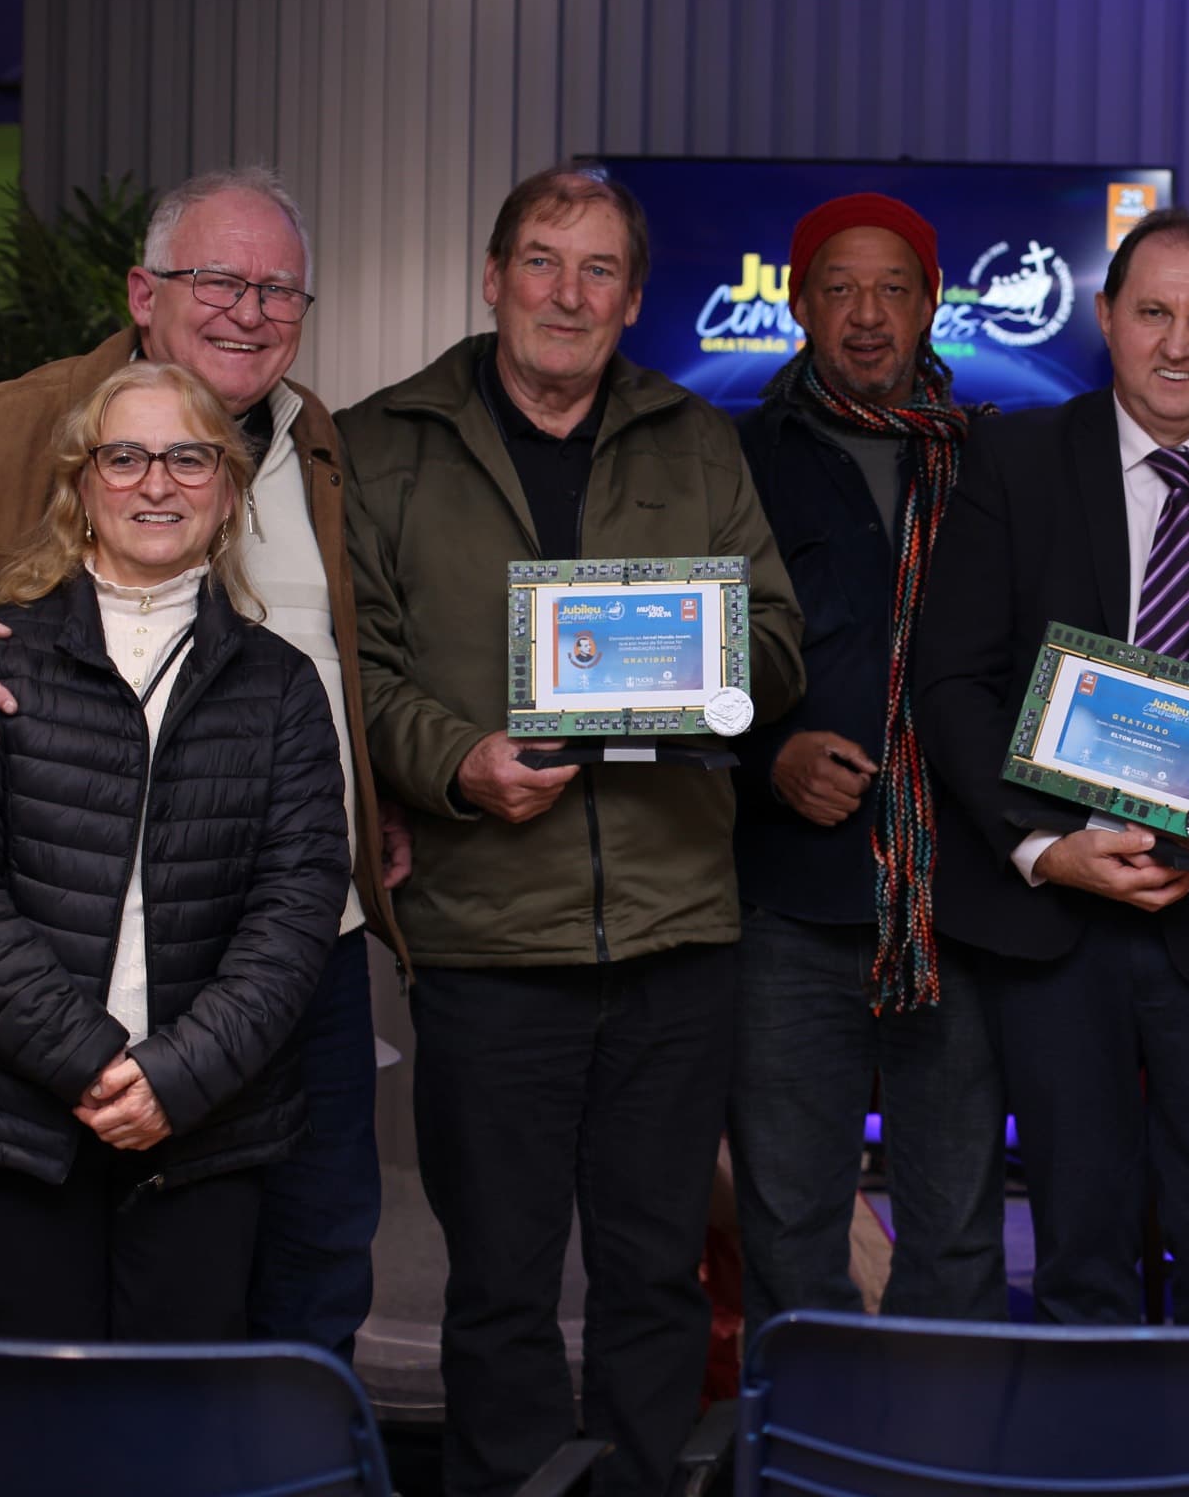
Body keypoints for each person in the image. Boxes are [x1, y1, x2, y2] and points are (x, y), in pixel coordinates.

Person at [338, 165, 803, 1497]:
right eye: (542, 261)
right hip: (487, 936)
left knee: (657, 1278)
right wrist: (457, 761)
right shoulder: (384, 444)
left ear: (636, 299)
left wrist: (699, 677)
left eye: (600, 270)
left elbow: (778, 638)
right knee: (501, 1287)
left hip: (676, 934)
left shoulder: (695, 439)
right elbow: (359, 670)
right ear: (493, 278)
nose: (568, 293)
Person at [0, 166, 402, 1364]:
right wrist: (87, 1057)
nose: (250, 309)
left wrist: (180, 1073)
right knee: (39, 1373)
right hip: (33, 1033)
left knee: (292, 1292)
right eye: (218, 279)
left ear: (227, 492)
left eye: (278, 288)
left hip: (266, 994)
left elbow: (365, 694)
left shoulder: (325, 447)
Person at [912, 206, 1189, 1325]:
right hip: (1053, 926)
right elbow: (952, 681)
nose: (1177, 344)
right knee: (1078, 1256)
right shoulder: (1012, 463)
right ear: (1107, 316)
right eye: (1154, 312)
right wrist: (1044, 845)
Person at [728, 193, 1007, 1339]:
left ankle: (948, 1428)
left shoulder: (996, 460)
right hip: (789, 903)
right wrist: (767, 758)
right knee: (791, 1220)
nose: (867, 314)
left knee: (958, 1224)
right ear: (797, 305)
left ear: (932, 304)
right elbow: (681, 659)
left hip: (960, 902)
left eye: (894, 288)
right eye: (838, 288)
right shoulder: (736, 456)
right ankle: (808, 1426)